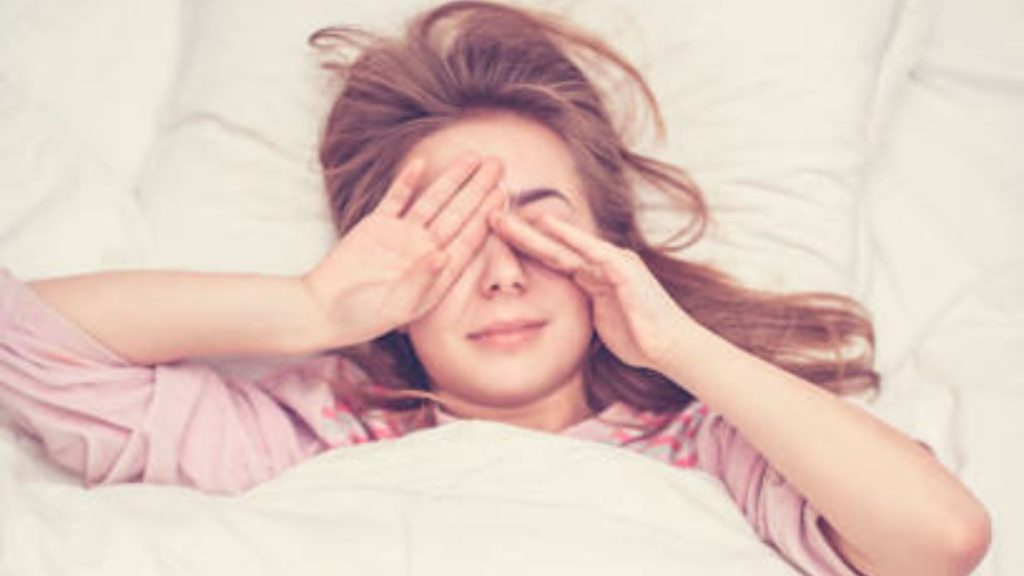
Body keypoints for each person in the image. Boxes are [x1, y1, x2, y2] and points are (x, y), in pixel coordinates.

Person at [0, 2, 989, 575]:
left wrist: (677, 344)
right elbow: (24, 338)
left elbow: (940, 542)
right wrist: (310, 306)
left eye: (539, 228)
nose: (504, 270)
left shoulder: (705, 444)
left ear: (610, 248)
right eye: (451, 237)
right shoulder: (314, 436)